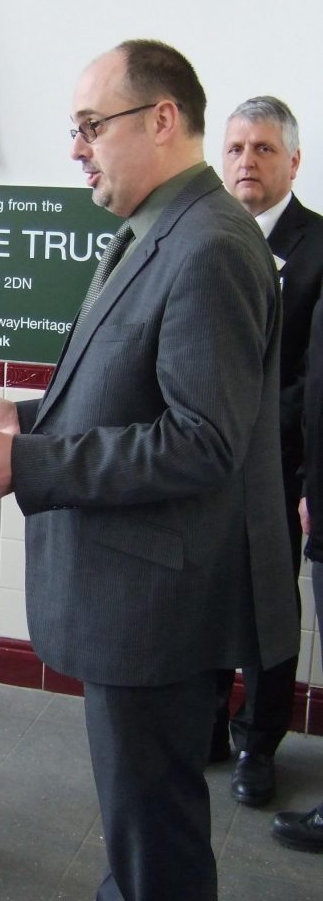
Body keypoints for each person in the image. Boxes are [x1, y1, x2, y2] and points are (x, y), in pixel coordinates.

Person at [0, 40, 299, 901]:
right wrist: (25, 418)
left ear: (162, 120)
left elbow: (201, 441)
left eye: (92, 125)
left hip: (157, 607)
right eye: (75, 128)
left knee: (153, 829)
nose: (76, 146)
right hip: (134, 593)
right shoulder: (154, 231)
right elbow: (128, 393)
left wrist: (33, 460)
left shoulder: (209, 247)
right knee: (139, 823)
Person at [213, 97, 323, 806]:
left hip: (280, 469)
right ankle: (203, 727)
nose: (245, 162)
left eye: (260, 149)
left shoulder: (317, 247)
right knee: (204, 595)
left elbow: (313, 381)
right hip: (204, 462)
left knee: (267, 609)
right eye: (234, 149)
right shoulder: (208, 235)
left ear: (292, 161)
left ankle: (258, 741)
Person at [272, 282, 323, 851]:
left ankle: (257, 742)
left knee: (276, 606)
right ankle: (215, 731)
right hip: (311, 485)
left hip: (295, 474)